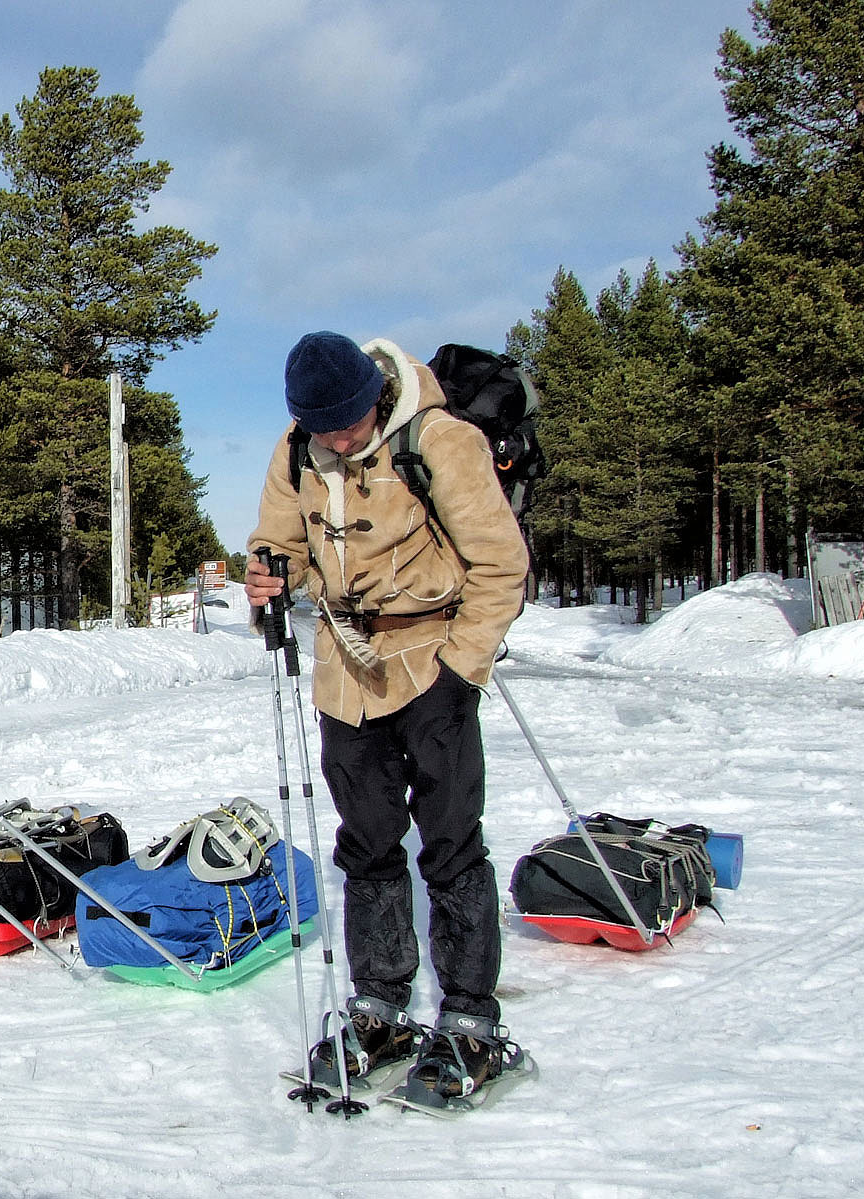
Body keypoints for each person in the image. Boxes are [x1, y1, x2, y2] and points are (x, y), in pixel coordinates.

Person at [244, 331, 529, 1098]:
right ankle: (382, 1005)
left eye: (350, 425)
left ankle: (470, 1015)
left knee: (450, 841)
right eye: (324, 428)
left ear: (374, 397)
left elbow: (502, 566)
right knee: (366, 843)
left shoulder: (439, 440)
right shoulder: (297, 449)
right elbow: (280, 542)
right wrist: (270, 576)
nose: (340, 440)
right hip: (346, 670)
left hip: (432, 655)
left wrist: (461, 668)